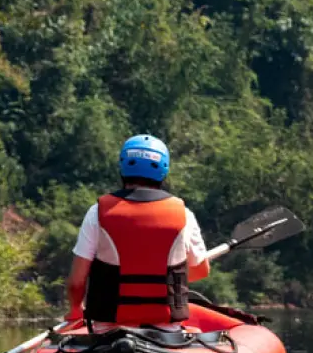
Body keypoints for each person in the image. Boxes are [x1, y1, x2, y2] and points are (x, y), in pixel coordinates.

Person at [64, 134, 210, 332]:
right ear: (164, 170)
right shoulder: (183, 214)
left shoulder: (98, 212)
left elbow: (76, 282)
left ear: (123, 167)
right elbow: (201, 270)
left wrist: (75, 309)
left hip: (109, 329)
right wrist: (162, 279)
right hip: (166, 331)